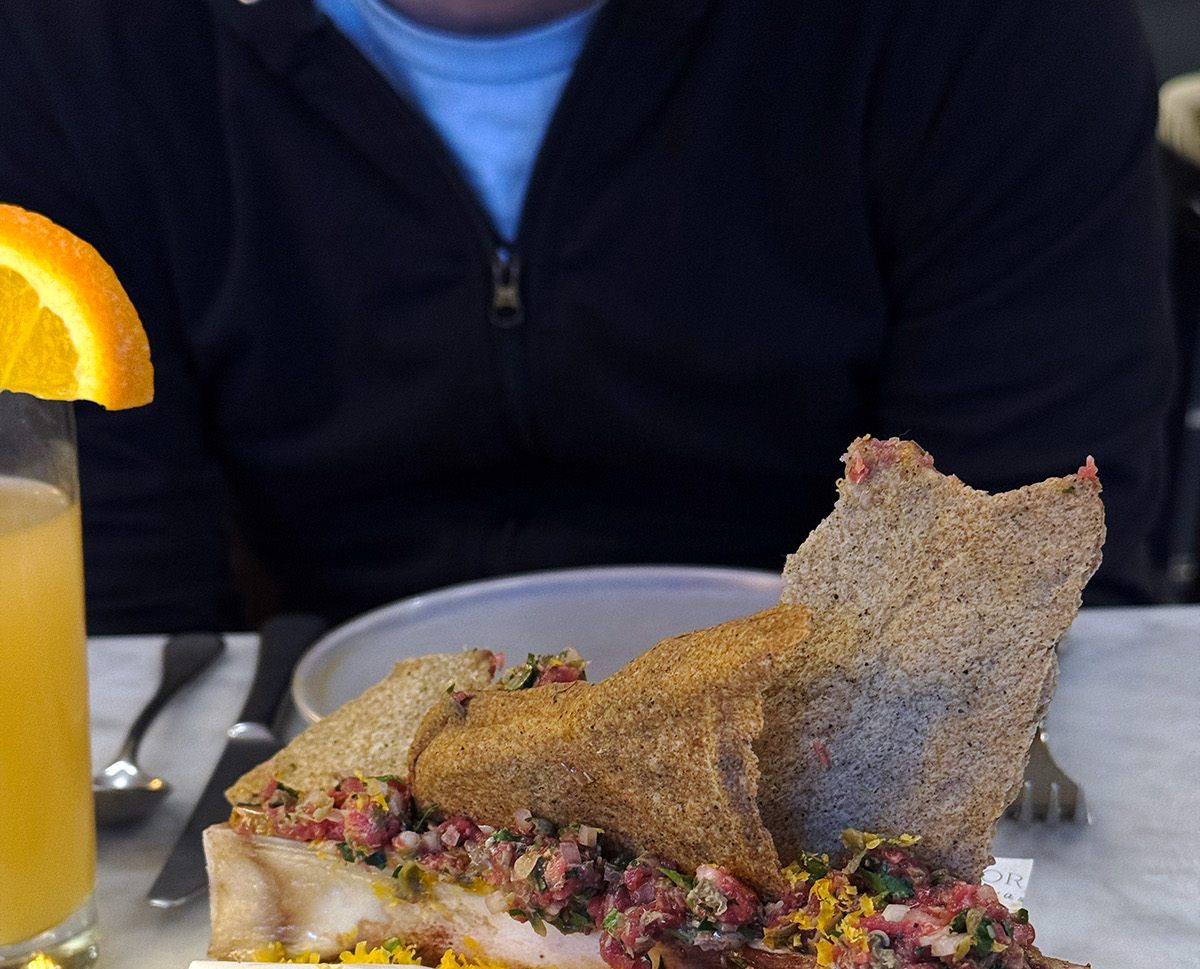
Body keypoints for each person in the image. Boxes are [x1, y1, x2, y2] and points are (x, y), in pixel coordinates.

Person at [0, 0, 1174, 629]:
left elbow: (1014, 566)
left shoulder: (991, 29)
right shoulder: (70, 45)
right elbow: (108, 595)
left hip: (837, 743)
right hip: (314, 738)